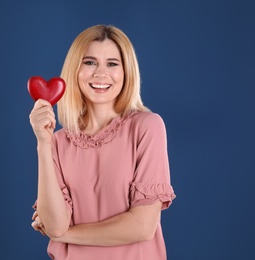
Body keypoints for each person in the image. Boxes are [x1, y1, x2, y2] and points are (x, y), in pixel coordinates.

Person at [29, 24, 176, 260]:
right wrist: (43, 143)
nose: (100, 73)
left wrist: (64, 235)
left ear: (127, 71)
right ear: (75, 70)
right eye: (89, 62)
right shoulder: (57, 142)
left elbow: (141, 226)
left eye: (112, 63)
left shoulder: (147, 127)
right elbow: (55, 225)